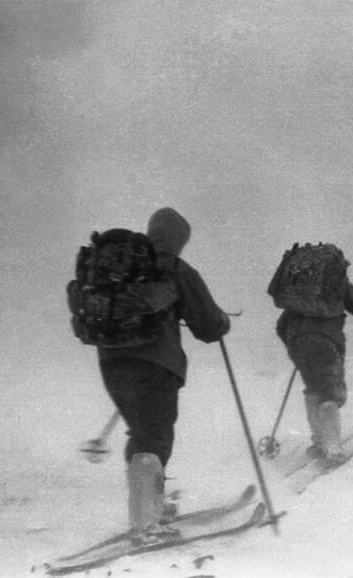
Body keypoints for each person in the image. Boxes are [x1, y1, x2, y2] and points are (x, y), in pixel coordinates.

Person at [97, 208, 230, 545]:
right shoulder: (174, 267)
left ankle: (148, 509)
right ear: (179, 239)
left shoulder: (119, 264)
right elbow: (209, 326)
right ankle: (147, 524)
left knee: (141, 432)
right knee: (153, 438)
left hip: (111, 362)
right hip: (157, 365)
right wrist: (222, 323)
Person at [272, 244, 353, 464]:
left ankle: (319, 442)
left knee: (313, 389)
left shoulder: (296, 293)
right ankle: (332, 448)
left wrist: (294, 344)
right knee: (329, 392)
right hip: (326, 343)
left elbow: (280, 326)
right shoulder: (337, 285)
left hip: (297, 344)